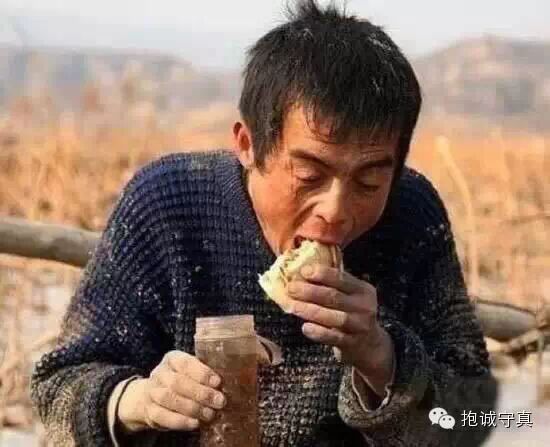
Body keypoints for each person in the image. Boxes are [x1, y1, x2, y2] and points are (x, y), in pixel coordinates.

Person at [31, 1, 497, 446]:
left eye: (369, 182)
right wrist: (137, 401)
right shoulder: (166, 206)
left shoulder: (411, 213)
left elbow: (474, 414)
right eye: (309, 175)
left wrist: (382, 358)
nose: (336, 210)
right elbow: (59, 391)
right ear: (248, 145)